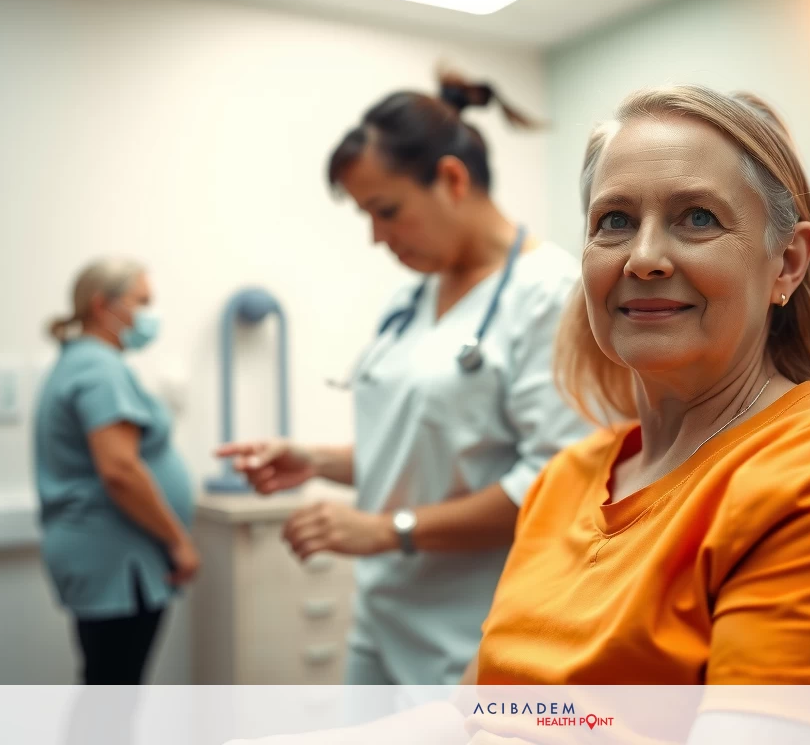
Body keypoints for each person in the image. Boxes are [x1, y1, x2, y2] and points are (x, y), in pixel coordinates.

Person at [222, 85, 810, 743]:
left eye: (697, 218)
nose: (643, 257)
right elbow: (476, 711)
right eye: (613, 221)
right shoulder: (569, 480)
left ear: (787, 264)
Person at [216, 71, 591, 686]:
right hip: (383, 617)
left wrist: (388, 531)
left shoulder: (550, 293)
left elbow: (553, 486)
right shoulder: (414, 297)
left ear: (451, 179)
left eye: (386, 211)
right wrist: (313, 459)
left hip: (477, 635)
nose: (376, 237)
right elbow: (428, 450)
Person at [34, 258, 198, 685]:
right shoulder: (99, 369)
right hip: (116, 559)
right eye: (142, 302)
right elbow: (120, 470)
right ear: (103, 305)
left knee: (107, 691)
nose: (151, 315)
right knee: (112, 697)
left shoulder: (83, 362)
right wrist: (178, 541)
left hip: (109, 555)